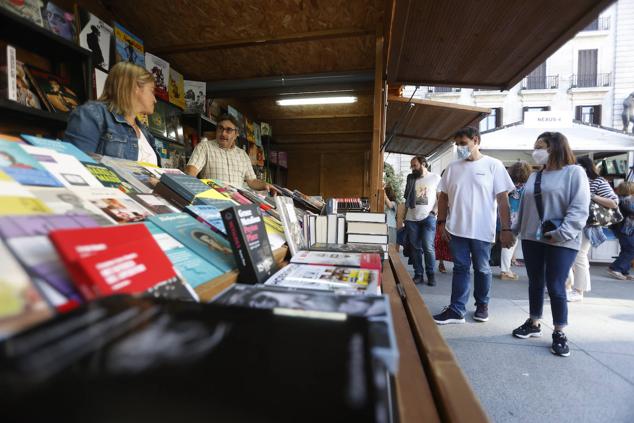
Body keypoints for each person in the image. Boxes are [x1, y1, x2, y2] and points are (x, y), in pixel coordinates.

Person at [511, 132, 590, 357]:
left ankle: (559, 331)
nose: (536, 151)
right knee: (535, 281)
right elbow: (525, 208)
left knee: (555, 285)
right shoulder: (536, 176)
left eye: (541, 146)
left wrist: (562, 233)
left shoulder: (574, 173)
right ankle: (534, 322)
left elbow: (579, 207)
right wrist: (514, 231)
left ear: (555, 147)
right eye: (535, 146)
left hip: (562, 239)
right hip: (532, 238)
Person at [433, 127, 515, 324]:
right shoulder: (453, 168)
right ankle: (456, 309)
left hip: (482, 230)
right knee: (460, 268)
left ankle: (482, 305)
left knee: (482, 269)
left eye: (463, 143)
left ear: (476, 140)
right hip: (456, 229)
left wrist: (506, 229)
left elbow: (503, 200)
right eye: (458, 144)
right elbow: (443, 197)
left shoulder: (494, 165)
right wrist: (441, 223)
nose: (460, 148)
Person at [64, 62, 159, 166]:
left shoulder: (145, 132)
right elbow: (75, 166)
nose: (155, 100)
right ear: (135, 87)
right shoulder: (93, 114)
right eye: (152, 90)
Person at [566, 157, 618, 301]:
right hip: (570, 222)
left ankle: (578, 290)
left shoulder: (598, 181)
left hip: (587, 224)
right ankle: (568, 286)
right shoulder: (572, 181)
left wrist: (592, 195)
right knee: (569, 255)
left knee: (579, 255)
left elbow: (614, 202)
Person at [185, 114, 275, 192]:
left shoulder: (242, 155)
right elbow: (191, 171)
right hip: (213, 201)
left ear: (236, 134)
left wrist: (265, 185)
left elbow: (252, 181)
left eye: (228, 130)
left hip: (236, 202)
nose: (223, 133)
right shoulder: (204, 147)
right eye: (220, 128)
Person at [403, 156, 441, 286]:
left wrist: (434, 212)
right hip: (411, 218)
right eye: (411, 166)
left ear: (423, 164)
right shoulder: (411, 179)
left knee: (428, 247)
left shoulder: (435, 177)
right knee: (415, 249)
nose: (412, 168)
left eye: (415, 165)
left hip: (428, 218)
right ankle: (418, 274)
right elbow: (406, 200)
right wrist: (403, 218)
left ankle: (431, 275)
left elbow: (440, 198)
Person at [499, 161, 532, 280]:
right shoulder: (527, 186)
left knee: (508, 242)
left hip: (507, 214)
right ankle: (505, 270)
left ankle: (506, 269)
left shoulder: (509, 185)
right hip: (520, 215)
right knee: (511, 243)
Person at [608, 181, 634, 280]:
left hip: (623, 229)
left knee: (626, 249)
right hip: (625, 229)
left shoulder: (621, 199)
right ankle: (616, 268)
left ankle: (624, 271)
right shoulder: (626, 200)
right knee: (631, 249)